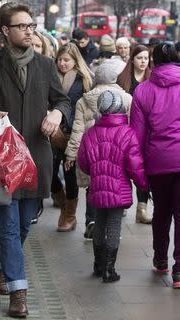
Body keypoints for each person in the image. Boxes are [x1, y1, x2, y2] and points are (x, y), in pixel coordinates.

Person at [0, 3, 70, 317]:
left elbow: (62, 99)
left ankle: (3, 265)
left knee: (24, 224)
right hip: (3, 160)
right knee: (9, 229)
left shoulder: (45, 64)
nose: (29, 30)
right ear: (5, 31)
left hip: (36, 159)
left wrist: (57, 112)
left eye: (30, 25)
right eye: (22, 26)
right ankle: (18, 292)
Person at [78, 89, 148, 283]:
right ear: (120, 108)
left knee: (99, 223)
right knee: (114, 226)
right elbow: (135, 165)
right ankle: (110, 269)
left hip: (98, 187)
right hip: (119, 189)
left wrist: (97, 172)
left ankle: (98, 265)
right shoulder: (128, 133)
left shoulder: (90, 133)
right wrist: (143, 184)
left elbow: (83, 162)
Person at [130, 42, 180, 288]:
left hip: (158, 161)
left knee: (161, 211)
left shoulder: (142, 91)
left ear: (153, 61)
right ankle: (179, 271)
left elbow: (137, 135)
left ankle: (161, 259)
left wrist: (137, 170)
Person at [65, 62, 133, 239]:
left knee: (93, 186)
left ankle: (91, 221)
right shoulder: (126, 99)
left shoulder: (83, 100)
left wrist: (71, 154)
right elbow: (133, 127)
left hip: (92, 152)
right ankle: (111, 226)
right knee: (114, 186)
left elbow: (78, 129)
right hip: (117, 151)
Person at [52, 43, 93, 233]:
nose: (62, 63)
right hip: (52, 133)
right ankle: (63, 204)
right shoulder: (51, 76)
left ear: (75, 61)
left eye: (66, 60)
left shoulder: (83, 79)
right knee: (49, 173)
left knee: (70, 175)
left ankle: (70, 215)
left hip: (73, 134)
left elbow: (88, 111)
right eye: (60, 59)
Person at [117, 45, 152, 224]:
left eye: (146, 58)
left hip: (143, 132)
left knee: (141, 168)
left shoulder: (151, 79)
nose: (143, 61)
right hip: (124, 131)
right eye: (140, 58)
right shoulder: (123, 79)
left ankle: (142, 208)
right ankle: (123, 201)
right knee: (124, 167)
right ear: (132, 59)